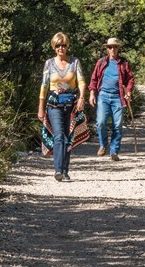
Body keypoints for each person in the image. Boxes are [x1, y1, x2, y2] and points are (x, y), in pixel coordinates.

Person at [38, 32, 90, 181]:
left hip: (70, 104)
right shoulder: (49, 63)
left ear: (67, 46)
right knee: (59, 135)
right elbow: (44, 85)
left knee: (68, 137)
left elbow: (81, 81)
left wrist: (81, 97)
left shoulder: (74, 62)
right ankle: (58, 170)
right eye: (58, 45)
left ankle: (65, 170)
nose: (61, 48)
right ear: (54, 47)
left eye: (63, 45)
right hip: (54, 104)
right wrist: (40, 107)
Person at [88, 37, 135, 161]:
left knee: (117, 125)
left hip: (118, 97)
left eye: (114, 47)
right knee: (101, 122)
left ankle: (114, 151)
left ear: (118, 48)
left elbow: (130, 78)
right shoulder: (102, 62)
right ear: (107, 49)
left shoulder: (124, 63)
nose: (112, 49)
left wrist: (128, 91)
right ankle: (103, 145)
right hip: (103, 95)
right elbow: (94, 79)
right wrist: (92, 94)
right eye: (110, 47)